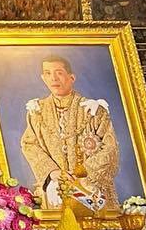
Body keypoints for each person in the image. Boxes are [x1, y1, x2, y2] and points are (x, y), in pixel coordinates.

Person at [20, 54, 121, 211]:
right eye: (48, 73)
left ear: (71, 77)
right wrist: (53, 172)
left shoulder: (93, 110)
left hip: (90, 189)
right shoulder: (37, 111)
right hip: (55, 189)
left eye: (59, 72)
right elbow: (29, 145)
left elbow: (110, 148)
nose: (53, 78)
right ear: (43, 78)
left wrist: (81, 173)